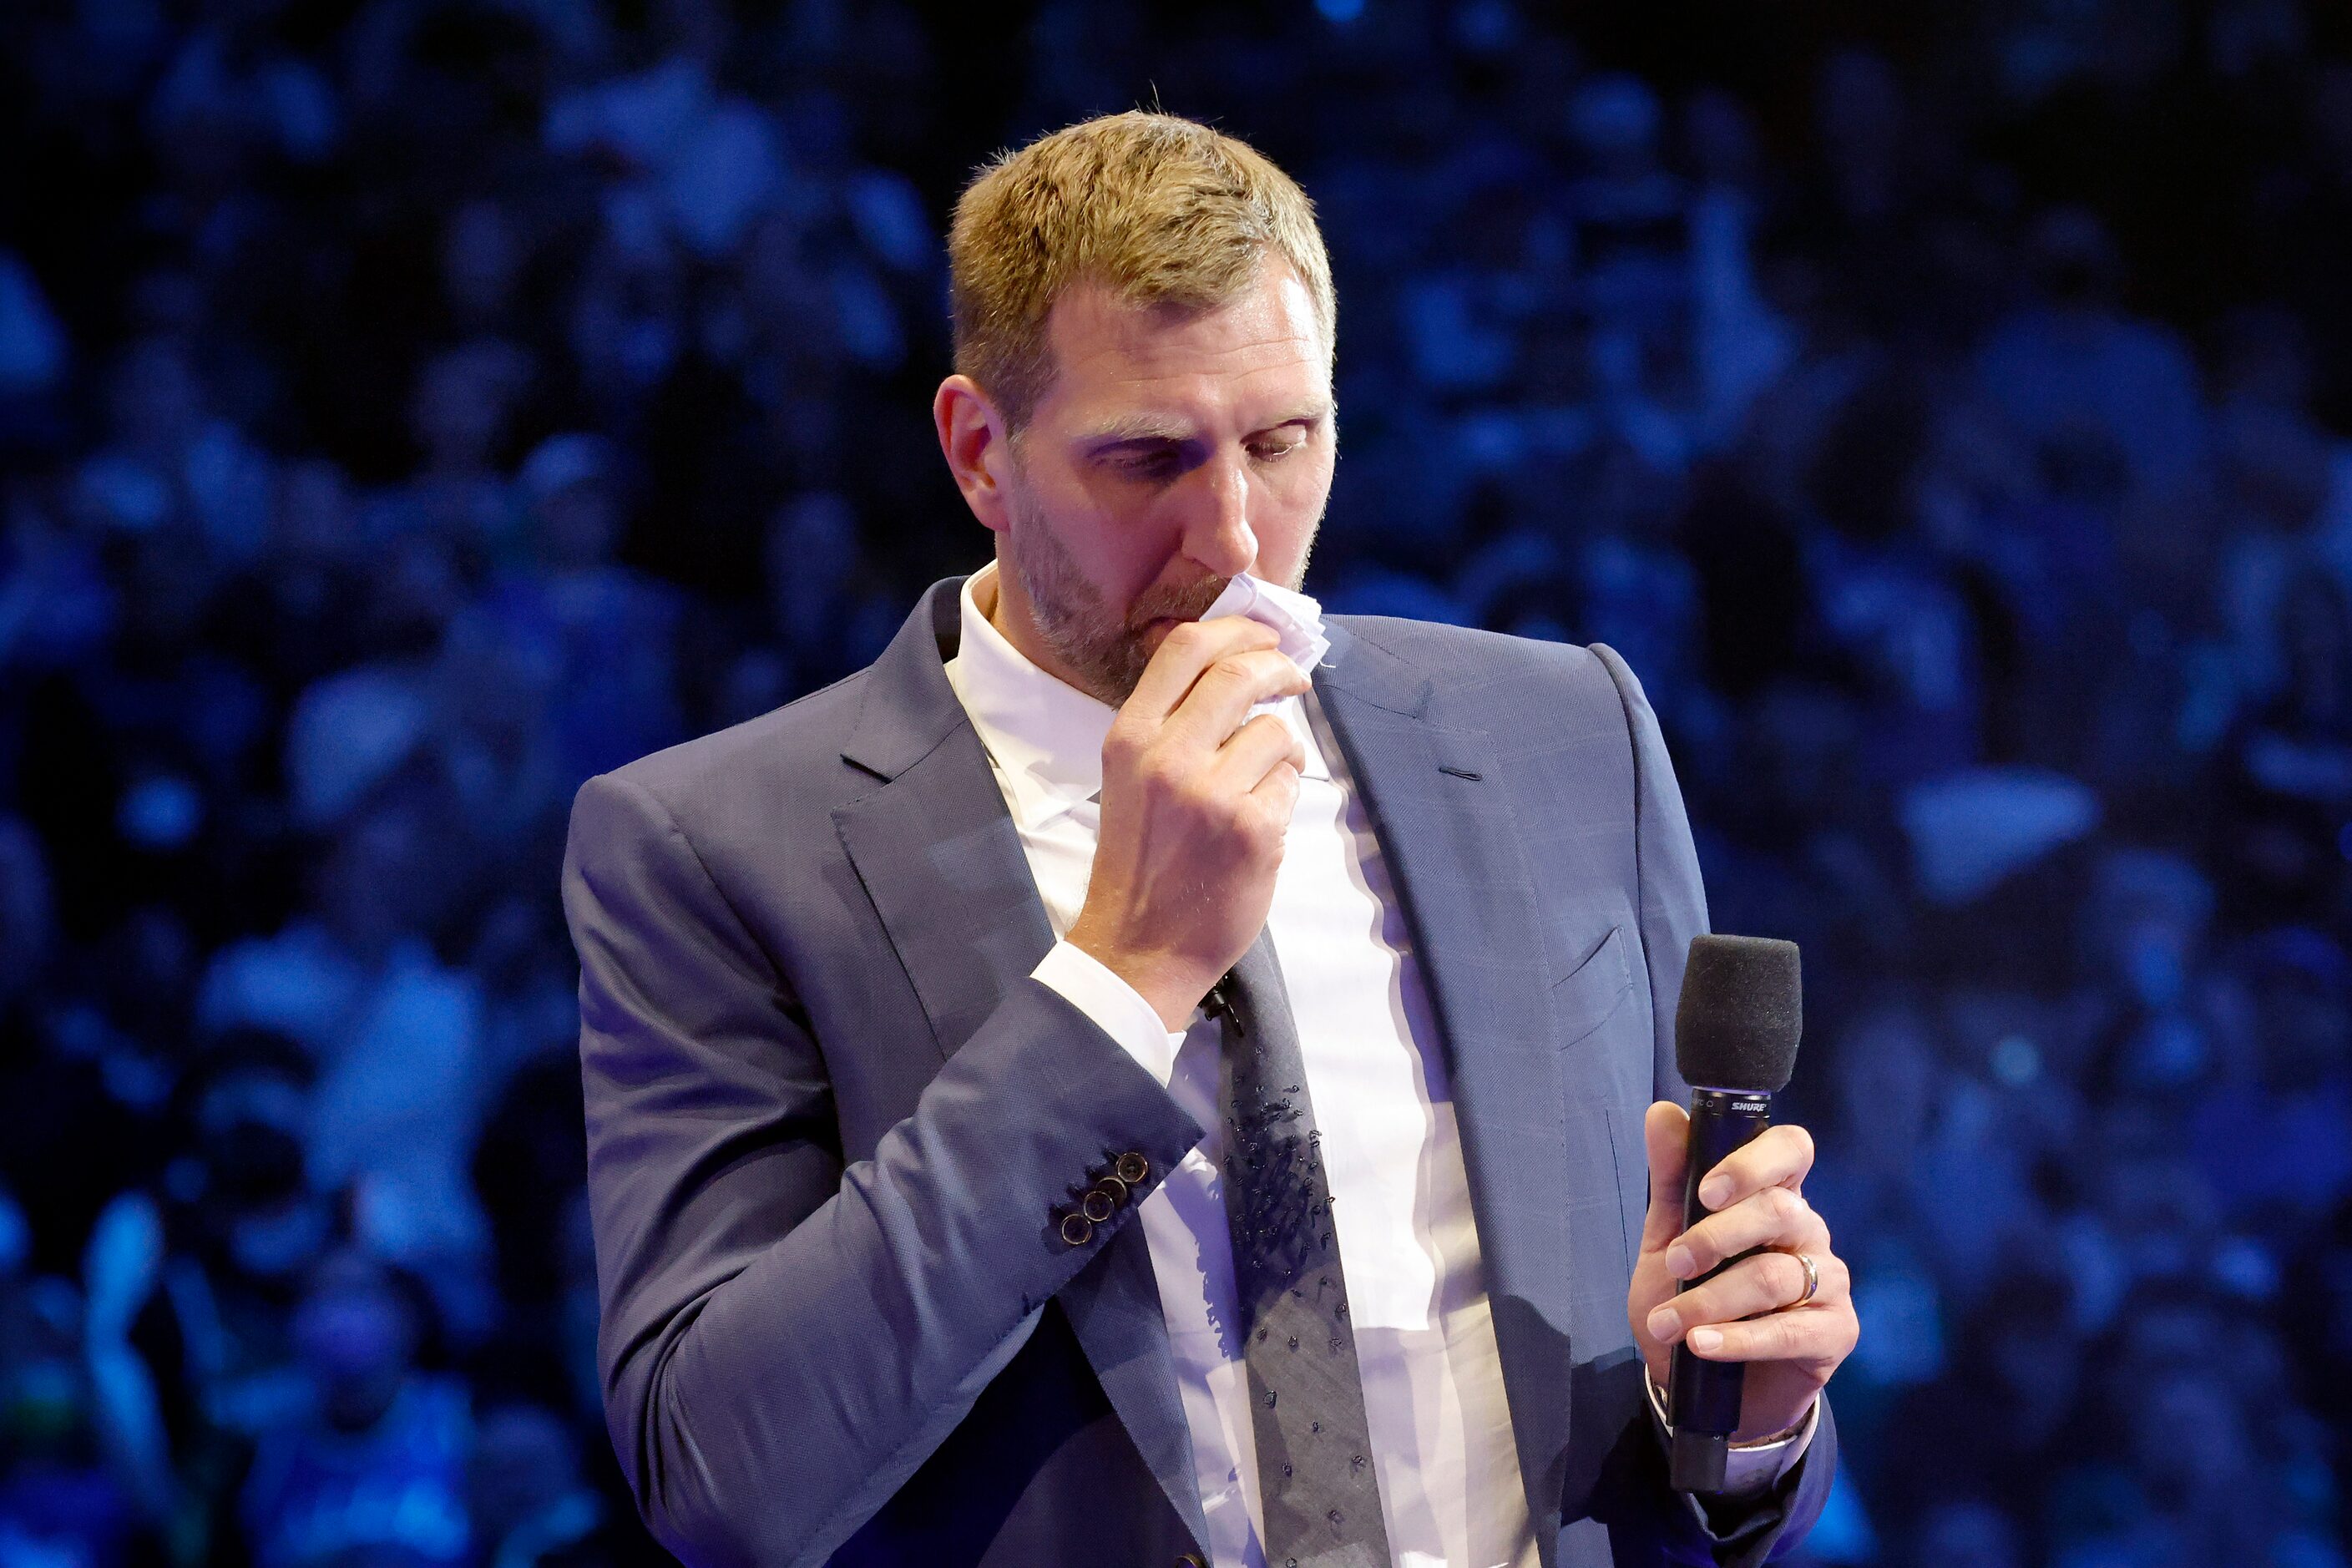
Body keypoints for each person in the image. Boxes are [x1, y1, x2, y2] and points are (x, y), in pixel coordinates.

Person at [562, 112, 1856, 1568]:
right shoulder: (715, 844)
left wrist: (1751, 1422)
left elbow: (1693, 1421)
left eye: (1281, 440)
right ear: (980, 451)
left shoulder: (1563, 734)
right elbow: (728, 1480)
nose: (1234, 538)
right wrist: (1125, 978)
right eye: (1147, 458)